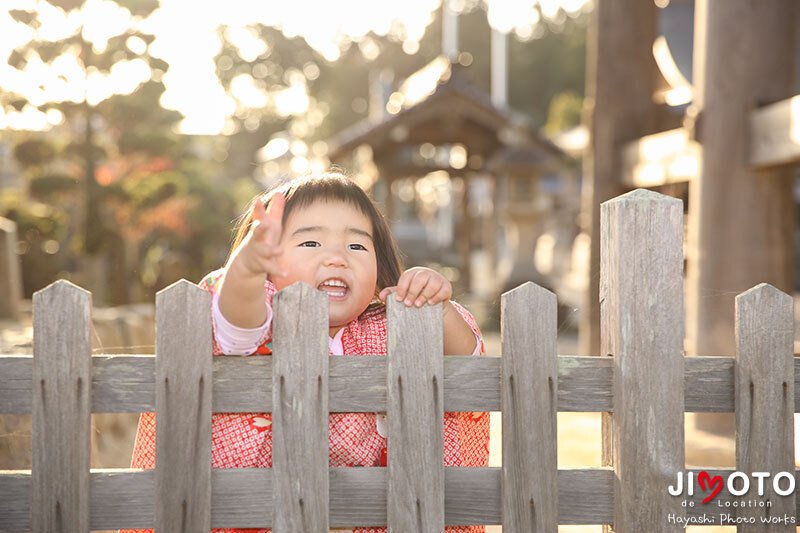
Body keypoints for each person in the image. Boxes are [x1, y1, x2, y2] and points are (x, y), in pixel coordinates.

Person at [121, 172, 490, 533]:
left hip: (376, 510)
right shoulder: (264, 313)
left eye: (357, 245)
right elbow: (236, 325)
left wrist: (437, 308)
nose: (337, 257)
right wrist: (247, 269)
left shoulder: (389, 324)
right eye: (311, 243)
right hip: (258, 510)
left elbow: (467, 363)